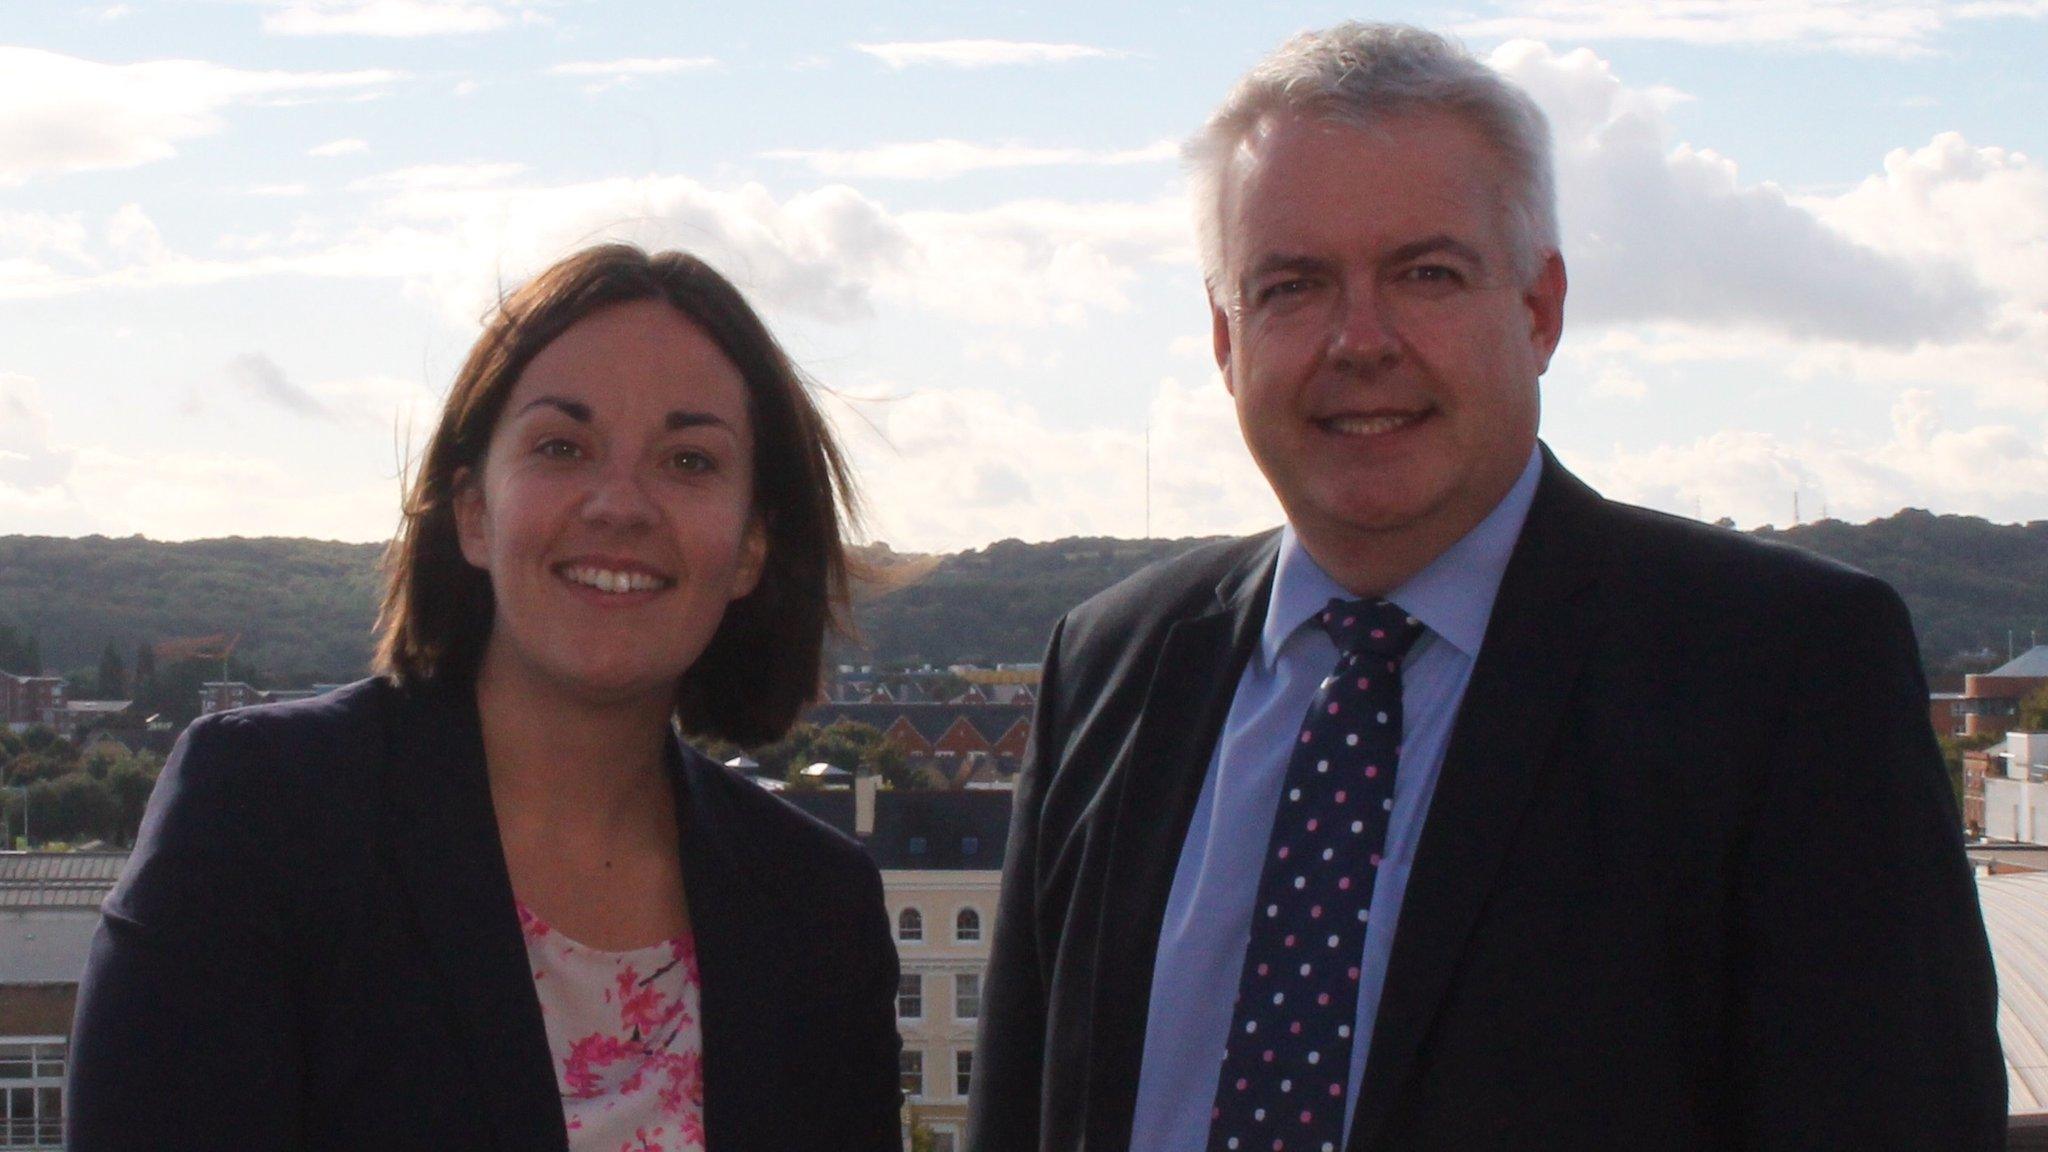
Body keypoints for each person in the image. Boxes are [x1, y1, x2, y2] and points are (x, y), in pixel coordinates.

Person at [968, 23, 2004, 1152]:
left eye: (1425, 274)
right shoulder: (1110, 661)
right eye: (1292, 286)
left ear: (1538, 308)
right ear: (1226, 338)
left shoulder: (1780, 673)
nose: (1358, 341)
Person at [68, 244, 903, 1151]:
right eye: (562, 446)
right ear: (473, 510)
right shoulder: (266, 819)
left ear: (750, 547)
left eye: (690, 461)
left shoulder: (817, 909)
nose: (619, 504)